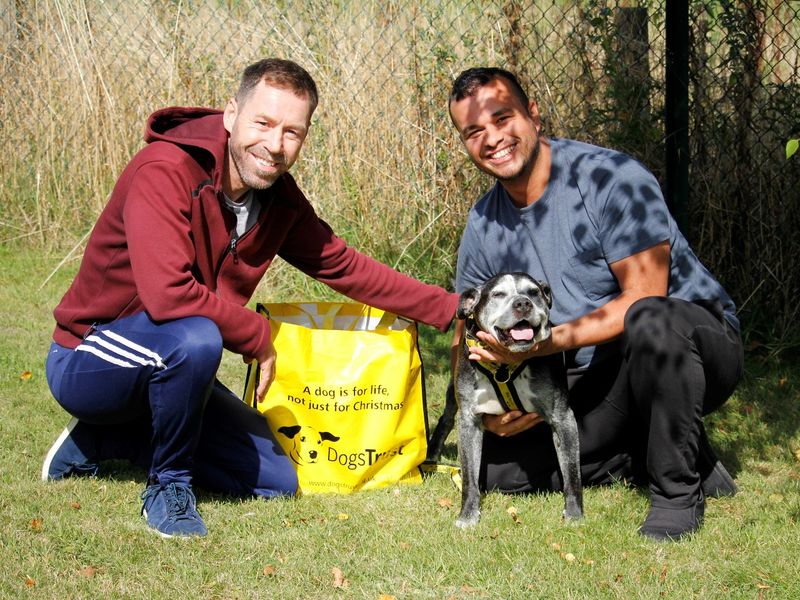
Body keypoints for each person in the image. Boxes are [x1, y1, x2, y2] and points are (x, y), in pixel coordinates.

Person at [42, 58, 458, 539]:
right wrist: (255, 335)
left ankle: (107, 437)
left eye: (292, 133)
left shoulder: (279, 199)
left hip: (173, 358)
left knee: (275, 480)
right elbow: (168, 295)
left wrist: (449, 309)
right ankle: (167, 487)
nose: (275, 145)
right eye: (263, 123)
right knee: (197, 338)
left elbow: (341, 264)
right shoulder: (165, 170)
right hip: (90, 354)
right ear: (231, 114)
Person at [447, 67, 743, 541]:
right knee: (502, 474)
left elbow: (645, 296)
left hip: (689, 343)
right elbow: (465, 327)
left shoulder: (612, 178)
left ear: (534, 116)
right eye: (474, 131)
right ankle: (647, 445)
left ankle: (677, 491)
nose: (493, 139)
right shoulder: (484, 221)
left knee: (654, 322)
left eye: (503, 119)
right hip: (589, 370)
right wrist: (492, 403)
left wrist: (548, 343)